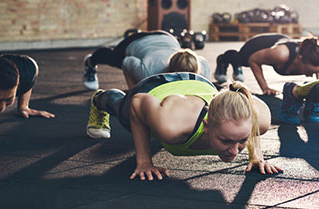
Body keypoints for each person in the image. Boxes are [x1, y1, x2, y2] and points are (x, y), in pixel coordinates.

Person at [85, 72, 280, 180]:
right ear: (206, 126)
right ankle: (100, 98)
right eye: (226, 140)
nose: (234, 151)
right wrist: (144, 162)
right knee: (124, 110)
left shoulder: (259, 120)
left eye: (242, 140)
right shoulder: (171, 126)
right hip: (155, 87)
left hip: (200, 84)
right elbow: (138, 102)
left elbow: (247, 107)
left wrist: (256, 156)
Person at [214, 33, 319, 121]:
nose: (310, 75)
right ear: (300, 59)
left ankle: (235, 65)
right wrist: (265, 87)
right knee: (243, 60)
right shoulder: (281, 55)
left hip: (281, 42)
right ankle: (223, 59)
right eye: (309, 71)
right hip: (258, 44)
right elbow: (253, 60)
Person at [82, 30, 210, 90]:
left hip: (166, 36)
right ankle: (90, 63)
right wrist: (134, 92)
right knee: (114, 58)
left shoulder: (203, 68)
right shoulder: (148, 72)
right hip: (135, 41)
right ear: (170, 70)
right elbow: (127, 62)